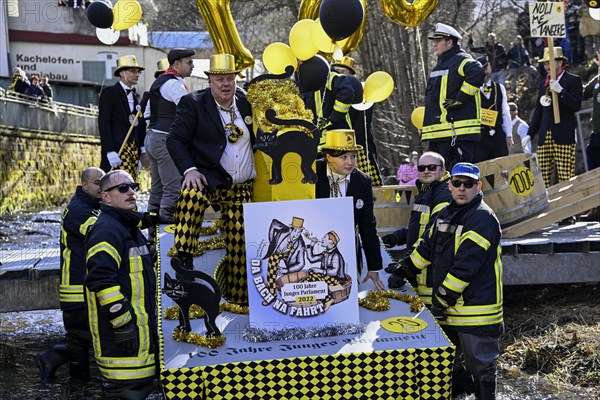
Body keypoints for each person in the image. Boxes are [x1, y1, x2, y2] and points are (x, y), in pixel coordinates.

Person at [391, 162, 503, 399]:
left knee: (481, 366)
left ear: (479, 186)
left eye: (469, 184)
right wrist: (404, 269)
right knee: (449, 365)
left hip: (476, 311)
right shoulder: (445, 214)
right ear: (450, 185)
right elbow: (426, 249)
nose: (462, 188)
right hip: (449, 309)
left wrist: (441, 298)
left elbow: (466, 266)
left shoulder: (482, 218)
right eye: (457, 183)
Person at [166, 53, 255, 306]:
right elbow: (174, 140)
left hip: (240, 188)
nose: (225, 84)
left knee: (239, 245)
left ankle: (239, 300)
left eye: (230, 78)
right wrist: (190, 170)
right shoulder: (192, 103)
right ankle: (184, 259)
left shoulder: (248, 104)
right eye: (219, 79)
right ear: (210, 82)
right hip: (208, 178)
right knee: (190, 195)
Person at [84, 170, 159, 399]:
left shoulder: (127, 226)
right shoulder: (107, 230)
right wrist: (123, 324)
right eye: (123, 188)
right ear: (105, 196)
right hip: (123, 343)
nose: (131, 192)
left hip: (139, 341)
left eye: (133, 186)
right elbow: (101, 281)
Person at [35, 167, 104, 382]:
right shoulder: (78, 210)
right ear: (84, 184)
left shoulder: (91, 205)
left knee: (89, 335)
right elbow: (101, 233)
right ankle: (77, 383)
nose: (101, 186)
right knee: (80, 338)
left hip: (84, 283)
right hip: (76, 287)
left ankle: (55, 360)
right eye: (97, 183)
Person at [315, 129, 385, 290]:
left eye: (353, 156)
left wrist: (374, 267)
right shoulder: (312, 173)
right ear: (328, 157)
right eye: (344, 157)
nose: (350, 162)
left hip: (348, 247)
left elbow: (367, 225)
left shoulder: (363, 181)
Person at [384, 152, 453, 305]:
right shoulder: (428, 190)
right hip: (423, 272)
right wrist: (398, 237)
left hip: (434, 277)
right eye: (422, 168)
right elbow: (422, 226)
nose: (426, 171)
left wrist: (404, 266)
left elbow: (432, 238)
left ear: (443, 170)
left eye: (431, 167)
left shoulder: (445, 195)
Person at [422, 23, 485, 168]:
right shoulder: (443, 63)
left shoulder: (460, 59)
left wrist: (459, 99)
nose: (434, 45)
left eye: (438, 41)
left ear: (449, 42)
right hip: (440, 134)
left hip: (456, 133)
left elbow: (477, 71)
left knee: (459, 178)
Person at [522, 46, 583, 191]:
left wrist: (561, 91)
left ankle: (569, 211)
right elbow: (538, 111)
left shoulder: (573, 80)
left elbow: (576, 105)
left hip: (564, 135)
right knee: (542, 177)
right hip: (545, 136)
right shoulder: (544, 84)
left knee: (565, 176)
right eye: (545, 64)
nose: (547, 67)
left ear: (560, 62)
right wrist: (530, 134)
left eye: (549, 62)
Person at [145, 49, 195, 225]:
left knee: (157, 191)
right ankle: (166, 240)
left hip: (152, 138)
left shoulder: (159, 82)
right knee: (172, 190)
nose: (192, 66)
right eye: (189, 62)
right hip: (164, 140)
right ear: (176, 64)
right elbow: (189, 110)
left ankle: (152, 238)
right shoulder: (174, 84)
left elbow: (147, 114)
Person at [332, 56, 382, 185]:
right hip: (337, 146)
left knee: (367, 183)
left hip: (359, 145)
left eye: (342, 71)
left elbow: (361, 125)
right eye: (335, 70)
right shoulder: (330, 94)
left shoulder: (360, 93)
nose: (338, 74)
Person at [98, 55, 148, 179]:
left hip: (133, 150)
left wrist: (142, 150)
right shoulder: (110, 93)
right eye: (132, 71)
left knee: (129, 184)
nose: (137, 74)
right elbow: (104, 123)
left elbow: (140, 124)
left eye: (138, 72)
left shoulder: (135, 96)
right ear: (121, 73)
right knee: (115, 184)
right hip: (117, 148)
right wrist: (109, 150)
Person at [303, 59, 354, 146]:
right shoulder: (302, 76)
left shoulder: (327, 73)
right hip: (318, 141)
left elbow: (346, 92)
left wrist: (333, 119)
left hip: (339, 137)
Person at [473, 55, 512, 163]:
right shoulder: (472, 90)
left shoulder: (500, 88)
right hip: (480, 137)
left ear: (490, 67)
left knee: (502, 168)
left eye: (486, 68)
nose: (485, 73)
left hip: (498, 135)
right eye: (481, 70)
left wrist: (509, 135)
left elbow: (505, 113)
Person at [262, 217, 308, 304]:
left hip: (289, 257)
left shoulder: (300, 244)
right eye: (295, 231)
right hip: (277, 252)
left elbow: (302, 263)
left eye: (299, 232)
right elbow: (274, 223)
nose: (296, 235)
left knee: (291, 276)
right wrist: (272, 241)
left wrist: (286, 270)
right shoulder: (283, 231)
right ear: (290, 229)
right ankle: (271, 295)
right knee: (271, 273)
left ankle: (290, 297)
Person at [580, 50, 600, 221]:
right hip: (597, 133)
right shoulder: (598, 78)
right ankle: (597, 207)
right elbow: (583, 92)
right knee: (594, 169)